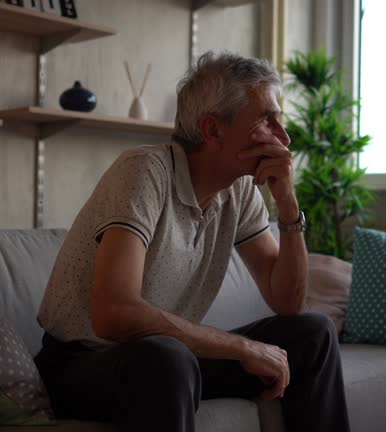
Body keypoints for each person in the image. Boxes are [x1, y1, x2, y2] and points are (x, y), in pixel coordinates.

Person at [33, 51, 350, 432]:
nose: (284, 136)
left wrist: (288, 205)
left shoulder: (240, 192)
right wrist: (241, 347)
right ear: (213, 130)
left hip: (166, 360)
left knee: (311, 335)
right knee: (167, 357)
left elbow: (288, 302)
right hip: (80, 365)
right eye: (267, 119)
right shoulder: (144, 171)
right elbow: (114, 313)